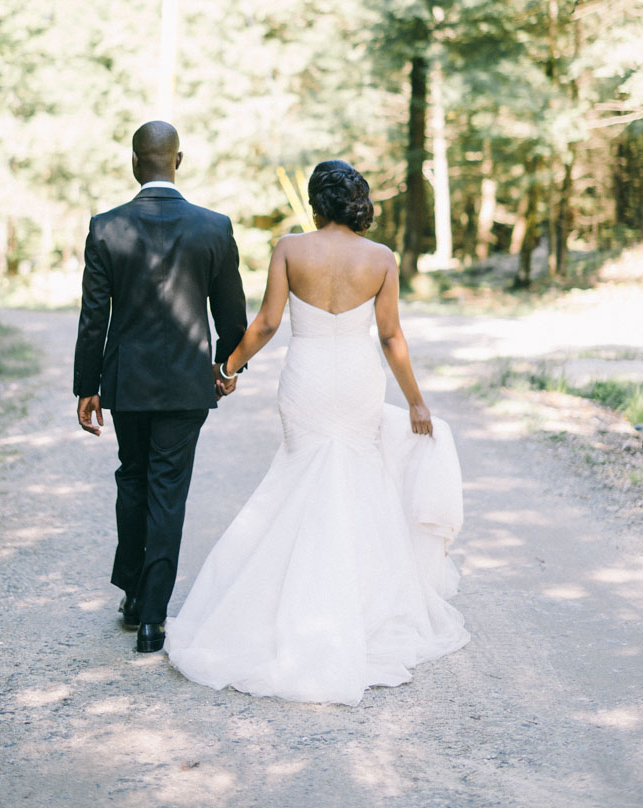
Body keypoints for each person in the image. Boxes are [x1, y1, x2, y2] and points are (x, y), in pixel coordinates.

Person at [166, 159, 470, 705]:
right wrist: (416, 402)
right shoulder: (381, 259)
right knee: (357, 483)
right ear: (359, 202)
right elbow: (391, 337)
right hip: (356, 384)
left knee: (298, 479)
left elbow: (265, 324)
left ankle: (286, 608)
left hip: (305, 380)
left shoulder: (289, 248)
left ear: (315, 202)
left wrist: (227, 368)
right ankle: (359, 611)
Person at [73, 121, 247, 653]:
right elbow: (231, 312)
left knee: (134, 479)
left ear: (133, 162)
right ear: (179, 160)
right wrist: (227, 366)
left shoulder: (106, 227)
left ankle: (131, 594)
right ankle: (152, 618)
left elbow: (93, 316)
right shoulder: (213, 228)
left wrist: (86, 385)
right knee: (168, 493)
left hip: (127, 383)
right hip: (187, 384)